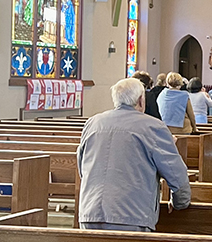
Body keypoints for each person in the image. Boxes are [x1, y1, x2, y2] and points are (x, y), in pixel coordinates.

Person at [77, 78, 190, 232]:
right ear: (141, 100)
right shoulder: (153, 126)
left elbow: (82, 166)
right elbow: (176, 174)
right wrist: (180, 203)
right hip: (132, 216)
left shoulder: (93, 123)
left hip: (89, 214)